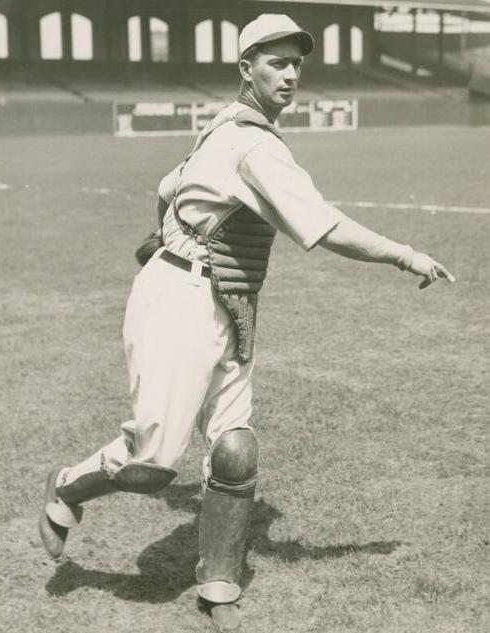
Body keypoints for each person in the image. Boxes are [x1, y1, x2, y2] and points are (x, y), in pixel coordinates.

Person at [39, 14, 455, 632]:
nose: (290, 76)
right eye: (276, 63)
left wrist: (168, 226)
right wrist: (404, 253)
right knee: (154, 464)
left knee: (234, 448)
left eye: (296, 64)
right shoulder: (254, 143)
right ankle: (67, 487)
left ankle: (220, 581)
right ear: (246, 68)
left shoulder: (224, 126)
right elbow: (325, 227)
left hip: (229, 299)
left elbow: (167, 184)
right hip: (179, 300)